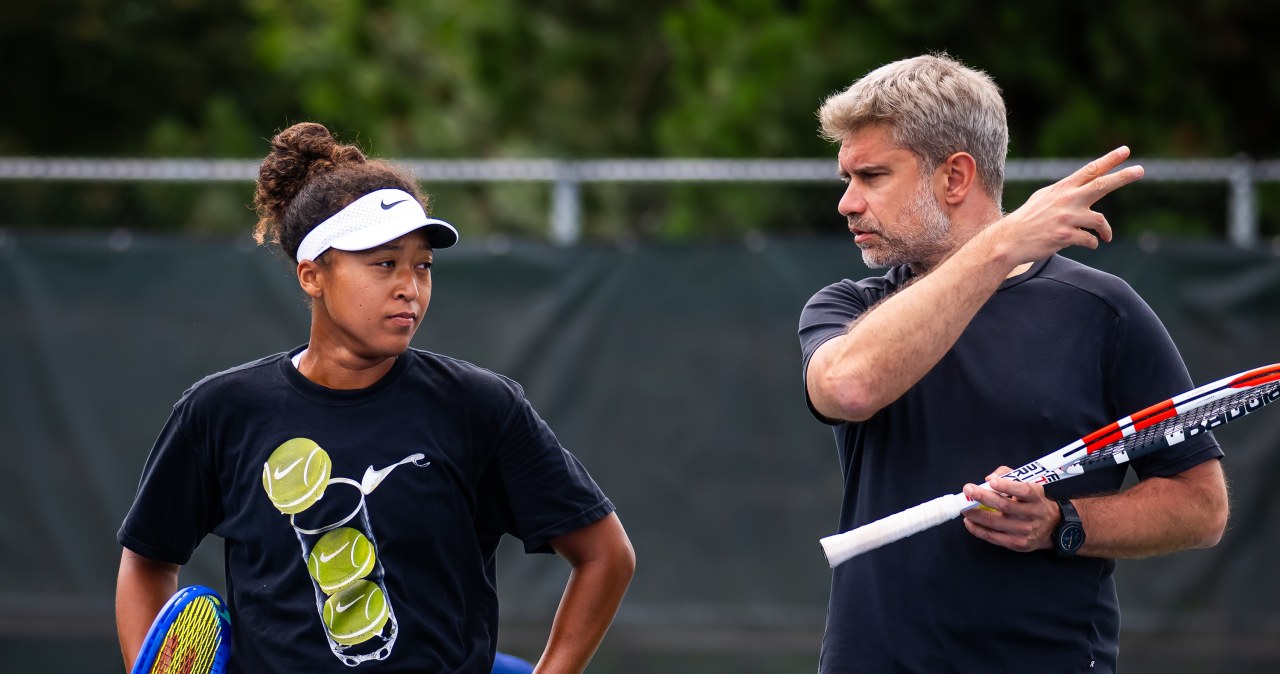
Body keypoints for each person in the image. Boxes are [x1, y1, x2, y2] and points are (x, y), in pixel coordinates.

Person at [116, 122, 635, 673]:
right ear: (312, 276)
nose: (410, 286)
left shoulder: (481, 407)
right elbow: (147, 563)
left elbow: (606, 556)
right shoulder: (220, 411)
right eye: (385, 263)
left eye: (422, 266)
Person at [799, 54, 1228, 673]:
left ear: (955, 177)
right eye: (848, 178)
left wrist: (1061, 521)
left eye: (871, 176)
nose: (847, 202)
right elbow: (850, 387)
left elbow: (1201, 506)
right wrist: (1001, 245)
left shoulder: (1101, 311)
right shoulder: (848, 308)